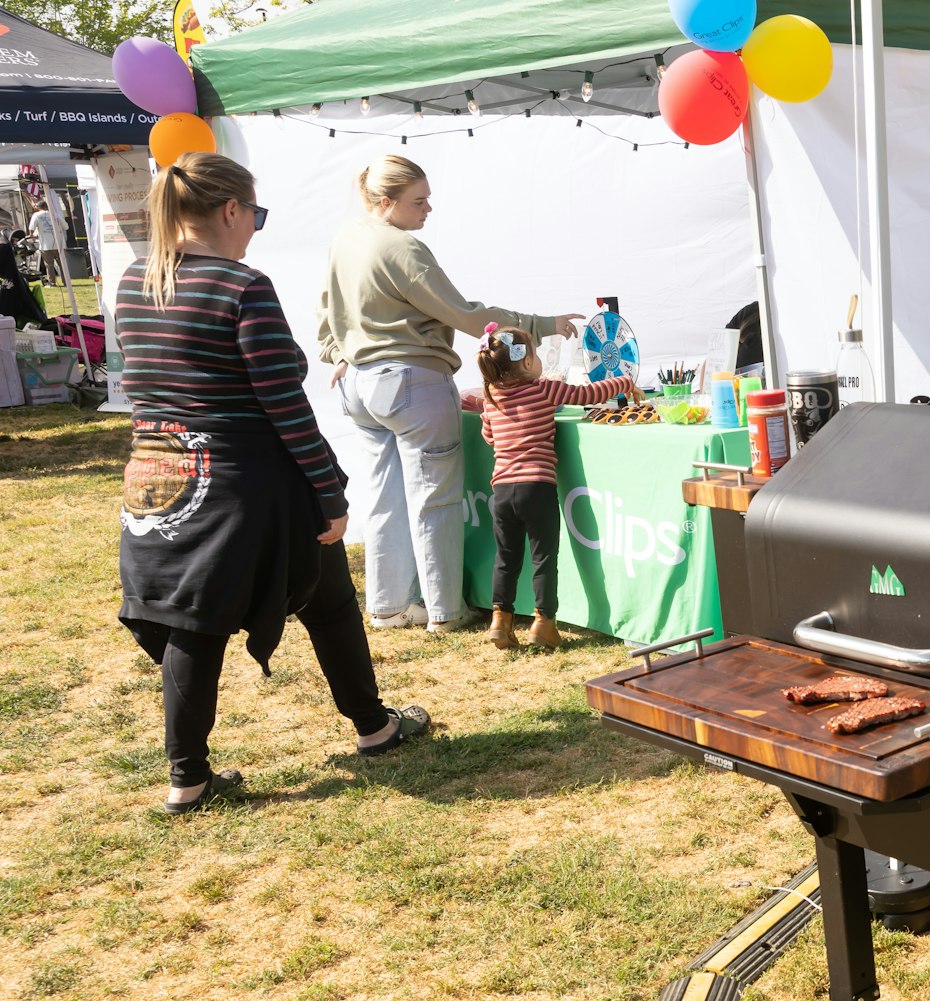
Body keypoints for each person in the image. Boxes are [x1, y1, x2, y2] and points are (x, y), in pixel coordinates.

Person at [116, 153, 431, 815]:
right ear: (231, 211)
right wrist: (330, 489)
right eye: (254, 215)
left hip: (162, 477)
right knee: (328, 598)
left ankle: (187, 779)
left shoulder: (131, 283)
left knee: (190, 624)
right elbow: (284, 402)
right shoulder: (241, 286)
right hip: (244, 484)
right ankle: (373, 725)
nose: (253, 229)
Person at [317, 155, 584, 634]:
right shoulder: (402, 249)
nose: (429, 209)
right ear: (384, 201)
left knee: (383, 500)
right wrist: (542, 325)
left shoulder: (346, 238)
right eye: (419, 201)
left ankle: (385, 607)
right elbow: (467, 316)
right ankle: (443, 611)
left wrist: (339, 350)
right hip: (410, 382)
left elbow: (326, 309)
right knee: (434, 500)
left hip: (360, 383)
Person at [467, 323, 634, 650]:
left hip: (502, 491)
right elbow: (587, 395)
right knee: (544, 557)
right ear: (527, 361)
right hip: (537, 486)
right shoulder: (544, 390)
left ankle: (500, 619)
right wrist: (625, 381)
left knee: (507, 557)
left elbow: (489, 437)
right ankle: (544, 622)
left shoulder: (491, 399)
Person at [28, 197, 60, 286]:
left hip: (46, 244)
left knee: (49, 265)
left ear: (38, 207)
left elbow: (31, 227)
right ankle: (66, 282)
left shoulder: (36, 215)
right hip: (58, 243)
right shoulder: (54, 214)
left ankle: (52, 283)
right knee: (62, 265)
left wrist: (30, 235)